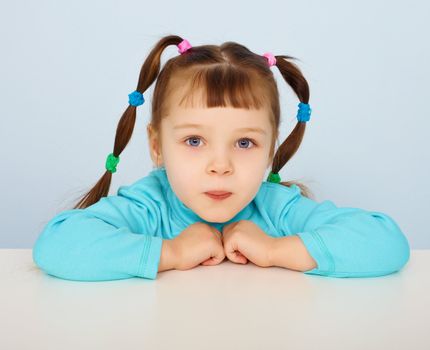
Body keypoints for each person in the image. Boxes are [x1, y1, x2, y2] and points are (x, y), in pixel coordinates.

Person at [32, 35, 410, 281]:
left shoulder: (275, 206)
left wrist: (275, 249)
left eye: (244, 143)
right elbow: (59, 244)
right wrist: (172, 252)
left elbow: (386, 241)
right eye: (194, 140)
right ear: (157, 146)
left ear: (271, 148)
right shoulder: (149, 205)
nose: (221, 165)